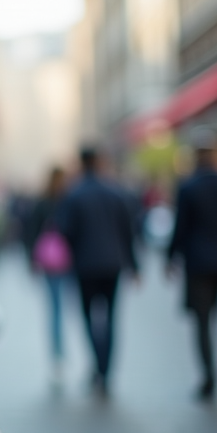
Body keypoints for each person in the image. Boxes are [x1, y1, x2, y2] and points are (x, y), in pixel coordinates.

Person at [58, 147, 139, 393]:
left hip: (85, 267)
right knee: (111, 319)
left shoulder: (74, 194)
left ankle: (97, 366)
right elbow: (128, 231)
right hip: (113, 265)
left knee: (89, 318)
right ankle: (106, 370)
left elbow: (65, 231)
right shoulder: (116, 192)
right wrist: (134, 265)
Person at [166, 129, 217, 400]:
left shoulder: (188, 187)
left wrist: (170, 258)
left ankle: (209, 376)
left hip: (198, 264)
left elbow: (180, 228)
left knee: (202, 323)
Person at [26, 167, 72, 382]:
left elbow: (31, 232)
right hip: (68, 262)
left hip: (49, 262)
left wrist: (32, 260)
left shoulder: (42, 202)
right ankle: (61, 353)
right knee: (63, 309)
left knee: (55, 309)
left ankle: (58, 355)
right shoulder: (69, 200)